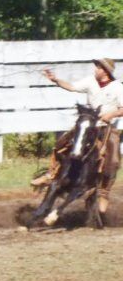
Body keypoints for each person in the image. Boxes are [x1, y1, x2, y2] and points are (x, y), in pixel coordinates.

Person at [31, 59, 123, 214]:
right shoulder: (90, 81)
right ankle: (51, 173)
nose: (95, 70)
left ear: (105, 71)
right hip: (89, 122)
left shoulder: (118, 88)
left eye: (98, 68)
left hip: (106, 127)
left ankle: (104, 192)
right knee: (62, 142)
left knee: (113, 159)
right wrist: (56, 80)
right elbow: (72, 87)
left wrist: (111, 114)